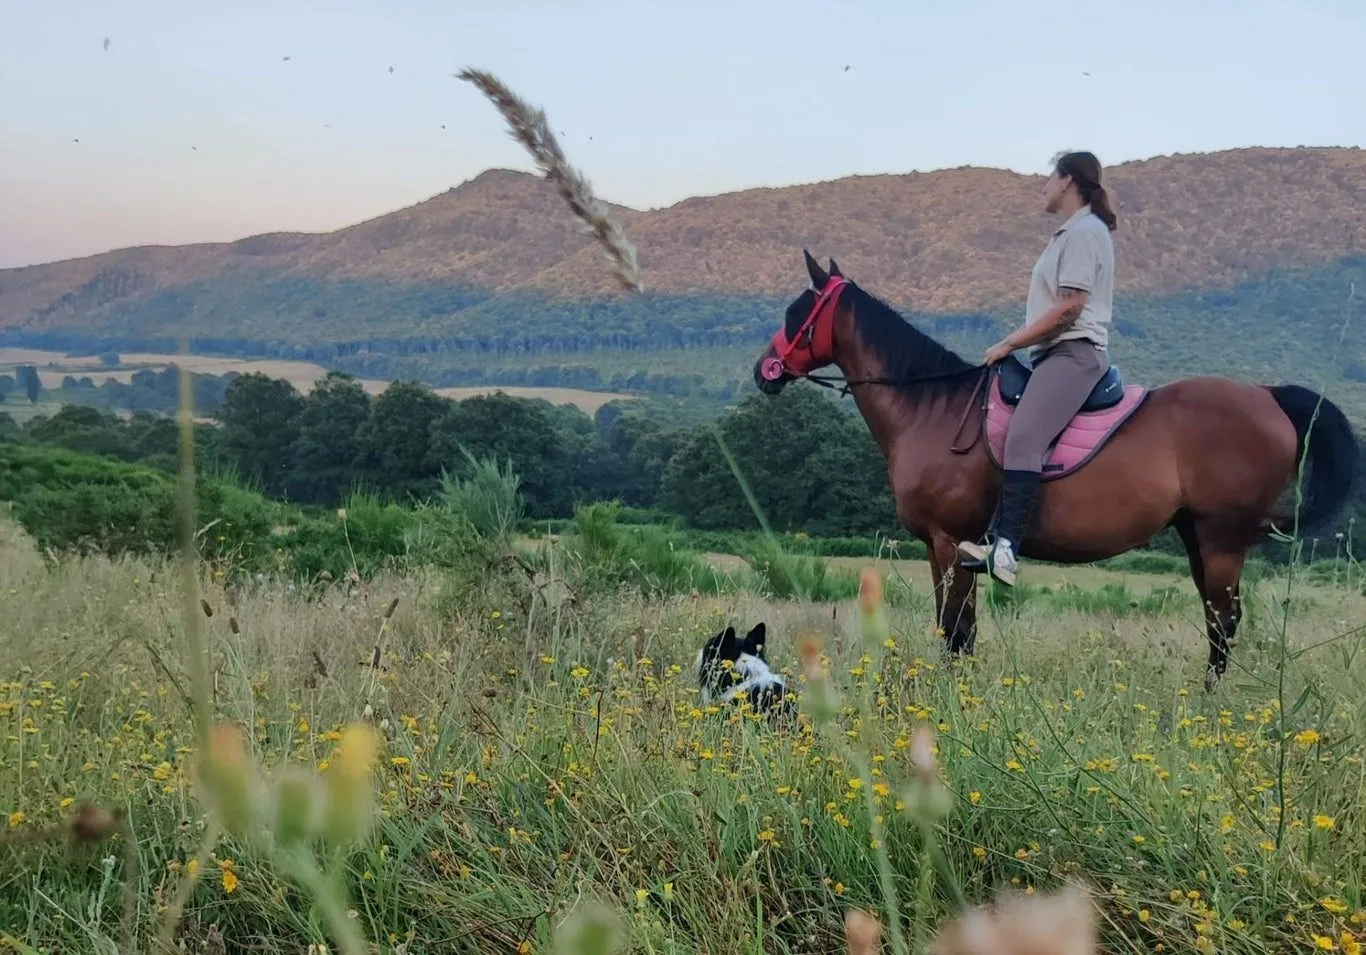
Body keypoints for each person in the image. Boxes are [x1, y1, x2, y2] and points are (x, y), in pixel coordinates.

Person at [957, 151, 1119, 585]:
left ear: (1067, 180)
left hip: (1073, 353)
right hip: (1053, 353)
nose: (1043, 185)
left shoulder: (1084, 231)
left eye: (1049, 176)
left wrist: (1010, 342)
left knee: (1023, 437)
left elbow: (1069, 308)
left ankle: (1006, 549)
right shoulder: (1070, 233)